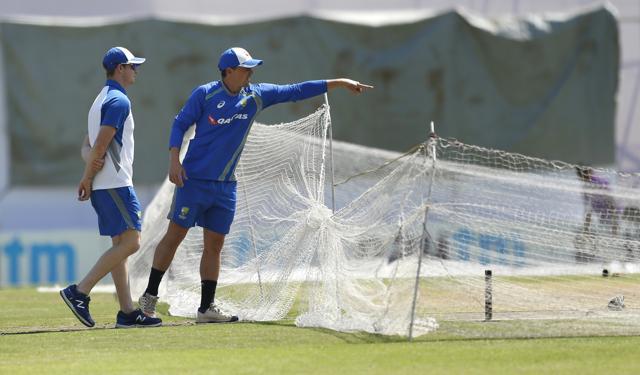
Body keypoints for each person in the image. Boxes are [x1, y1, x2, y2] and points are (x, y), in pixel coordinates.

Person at [138, 47, 373, 323]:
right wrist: (173, 161)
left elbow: (295, 90)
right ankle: (148, 299)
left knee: (214, 245)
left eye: (251, 68)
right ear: (228, 71)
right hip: (194, 181)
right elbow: (180, 124)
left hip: (226, 186)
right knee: (174, 237)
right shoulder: (205, 94)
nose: (251, 72)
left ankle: (206, 309)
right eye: (245, 68)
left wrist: (339, 83)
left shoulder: (255, 96)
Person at [60, 47, 162, 328]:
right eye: (132, 66)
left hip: (106, 185)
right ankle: (79, 291)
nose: (135, 71)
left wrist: (88, 177)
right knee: (132, 242)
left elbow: (88, 147)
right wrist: (86, 178)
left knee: (120, 245)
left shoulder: (100, 100)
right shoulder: (118, 101)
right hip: (116, 184)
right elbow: (101, 147)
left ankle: (127, 312)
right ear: (120, 69)